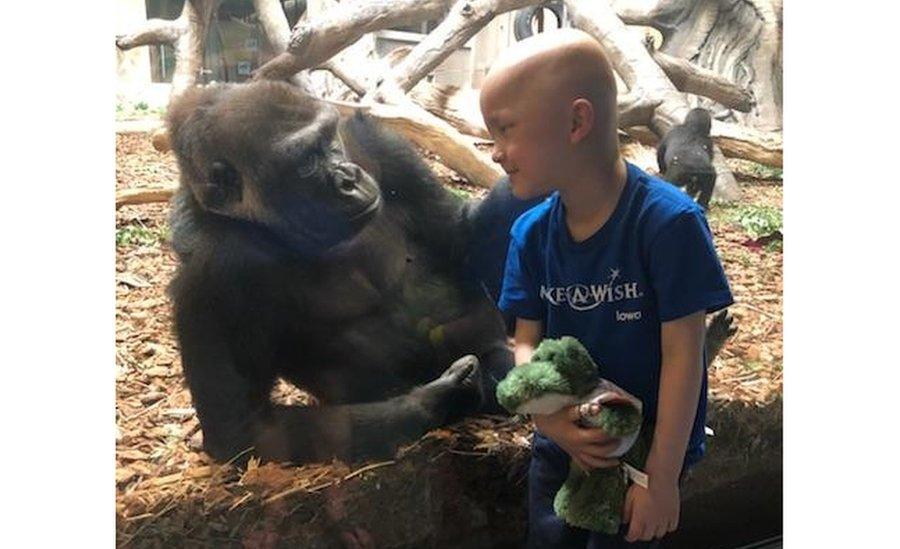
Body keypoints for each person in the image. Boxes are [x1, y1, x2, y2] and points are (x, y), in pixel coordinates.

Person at [479, 28, 734, 548]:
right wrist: (550, 423)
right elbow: (525, 341)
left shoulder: (668, 224)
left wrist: (660, 481)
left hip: (646, 453)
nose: (496, 153)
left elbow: (684, 358)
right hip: (563, 442)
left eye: (505, 131)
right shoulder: (531, 234)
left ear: (576, 121)